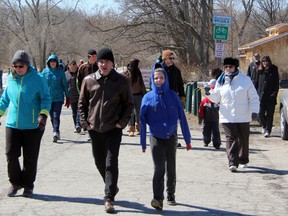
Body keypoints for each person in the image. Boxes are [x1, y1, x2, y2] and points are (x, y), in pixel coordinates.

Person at [78, 48, 134, 213]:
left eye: (107, 62)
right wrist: (85, 123)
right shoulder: (89, 80)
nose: (103, 64)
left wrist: (122, 123)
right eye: (101, 62)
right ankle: (112, 186)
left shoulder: (121, 81)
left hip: (113, 129)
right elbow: (82, 104)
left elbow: (128, 104)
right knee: (99, 162)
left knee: (111, 163)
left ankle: (109, 197)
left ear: (112, 63)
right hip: (94, 129)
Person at [140, 64, 192, 210]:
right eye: (156, 78)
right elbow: (142, 121)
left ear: (166, 79)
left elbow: (182, 117)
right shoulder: (148, 98)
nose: (159, 80)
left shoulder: (173, 95)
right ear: (152, 79)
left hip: (171, 136)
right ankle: (158, 198)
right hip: (156, 136)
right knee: (159, 168)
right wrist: (143, 142)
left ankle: (171, 194)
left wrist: (187, 140)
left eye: (161, 78)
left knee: (171, 166)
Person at [0, 50, 51, 197]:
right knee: (11, 153)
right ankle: (15, 182)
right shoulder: (11, 78)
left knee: (30, 156)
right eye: (15, 66)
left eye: (20, 66)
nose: (17, 68)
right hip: (12, 124)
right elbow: (4, 100)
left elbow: (46, 99)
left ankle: (28, 185)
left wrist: (43, 115)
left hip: (32, 125)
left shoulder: (38, 78)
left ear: (27, 65)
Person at [205, 57, 259, 172]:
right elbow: (216, 98)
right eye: (226, 67)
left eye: (230, 67)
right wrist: (208, 93)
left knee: (243, 139)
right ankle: (232, 162)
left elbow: (253, 97)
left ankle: (243, 159)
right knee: (231, 138)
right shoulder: (221, 81)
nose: (228, 69)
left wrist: (255, 111)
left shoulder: (245, 80)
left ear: (236, 67)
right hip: (227, 116)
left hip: (243, 115)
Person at [42, 54, 70, 143]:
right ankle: (55, 129)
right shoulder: (45, 72)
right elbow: (41, 85)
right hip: (48, 99)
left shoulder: (60, 72)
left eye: (54, 61)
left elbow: (65, 85)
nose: (52, 63)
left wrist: (68, 96)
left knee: (56, 115)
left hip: (58, 98)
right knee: (51, 117)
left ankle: (55, 132)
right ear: (48, 62)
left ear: (57, 62)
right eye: (51, 61)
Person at [161, 50, 185, 147]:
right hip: (161, 98)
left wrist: (182, 96)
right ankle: (162, 138)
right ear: (164, 59)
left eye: (173, 58)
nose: (172, 60)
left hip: (173, 98)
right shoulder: (159, 69)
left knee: (173, 120)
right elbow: (153, 84)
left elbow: (180, 85)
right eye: (170, 58)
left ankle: (174, 140)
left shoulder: (176, 71)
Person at [198, 68, 222, 149]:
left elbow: (221, 110)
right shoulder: (205, 100)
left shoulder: (218, 101)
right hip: (207, 120)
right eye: (209, 89)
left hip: (215, 120)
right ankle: (206, 141)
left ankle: (217, 143)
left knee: (216, 132)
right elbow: (201, 109)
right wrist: (200, 117)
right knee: (206, 132)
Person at [77, 49, 98, 142]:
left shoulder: (99, 66)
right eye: (93, 57)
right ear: (89, 57)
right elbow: (78, 81)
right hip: (86, 95)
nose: (95, 58)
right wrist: (81, 93)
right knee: (88, 114)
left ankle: (96, 131)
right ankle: (90, 133)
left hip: (97, 95)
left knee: (96, 113)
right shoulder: (83, 67)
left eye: (95, 56)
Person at [255, 56, 279, 138]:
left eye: (266, 61)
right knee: (260, 113)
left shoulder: (274, 70)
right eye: (263, 61)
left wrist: (274, 94)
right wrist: (256, 94)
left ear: (269, 62)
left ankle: (268, 130)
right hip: (261, 96)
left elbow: (276, 84)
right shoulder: (259, 71)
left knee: (270, 114)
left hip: (270, 97)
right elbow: (256, 83)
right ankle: (264, 126)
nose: (265, 63)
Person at [125, 59, 146, 136]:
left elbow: (142, 83)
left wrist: (145, 94)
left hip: (138, 95)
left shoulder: (138, 72)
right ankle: (131, 129)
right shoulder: (127, 73)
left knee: (138, 112)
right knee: (131, 113)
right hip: (130, 95)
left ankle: (138, 128)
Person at [65, 60, 81, 133]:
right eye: (72, 68)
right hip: (71, 96)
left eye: (75, 68)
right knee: (74, 112)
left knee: (79, 111)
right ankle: (76, 126)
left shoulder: (79, 73)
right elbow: (64, 85)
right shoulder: (66, 74)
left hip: (79, 95)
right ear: (69, 67)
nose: (73, 69)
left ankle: (78, 124)